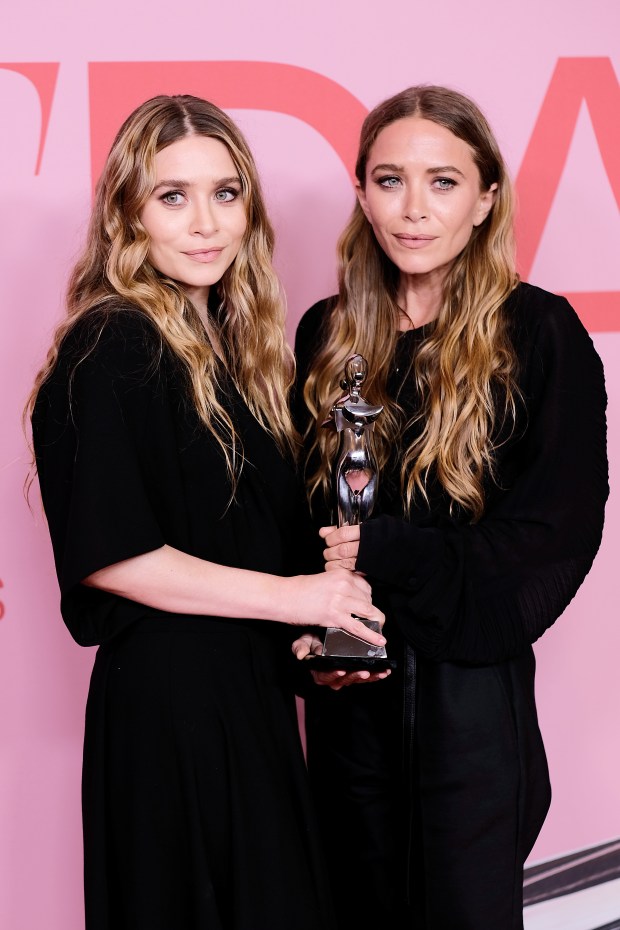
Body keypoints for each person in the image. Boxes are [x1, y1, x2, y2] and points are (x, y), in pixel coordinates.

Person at [27, 94, 386, 930]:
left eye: (226, 194)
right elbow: (114, 555)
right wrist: (299, 600)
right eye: (172, 196)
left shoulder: (239, 355)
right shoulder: (112, 341)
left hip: (245, 700)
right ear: (128, 214)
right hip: (168, 719)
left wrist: (309, 645)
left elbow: (243, 546)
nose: (205, 224)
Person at [292, 85, 608, 930]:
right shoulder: (325, 338)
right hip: (347, 706)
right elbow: (297, 521)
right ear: (361, 193)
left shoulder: (539, 332)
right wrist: (311, 643)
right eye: (390, 180)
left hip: (471, 704)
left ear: (486, 197)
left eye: (442, 182)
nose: (413, 209)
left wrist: (390, 553)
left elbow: (555, 533)